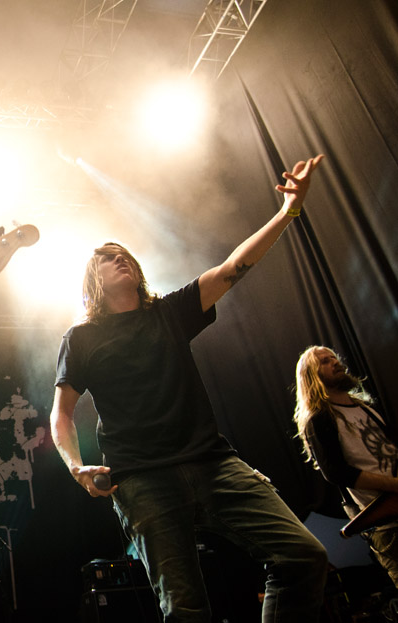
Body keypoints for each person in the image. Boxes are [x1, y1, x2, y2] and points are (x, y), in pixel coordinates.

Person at [50, 155, 329, 622]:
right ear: (92, 281)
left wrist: (288, 210)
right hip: (142, 478)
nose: (118, 257)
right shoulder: (82, 338)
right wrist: (76, 466)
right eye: (105, 257)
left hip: (213, 463)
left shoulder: (171, 312)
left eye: (123, 254)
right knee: (185, 609)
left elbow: (235, 265)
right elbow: (60, 415)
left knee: (304, 556)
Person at [294, 345, 398, 586]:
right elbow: (336, 472)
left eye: (334, 357)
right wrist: (393, 485)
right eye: (324, 361)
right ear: (311, 375)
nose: (334, 362)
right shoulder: (319, 419)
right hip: (385, 524)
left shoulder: (365, 408)